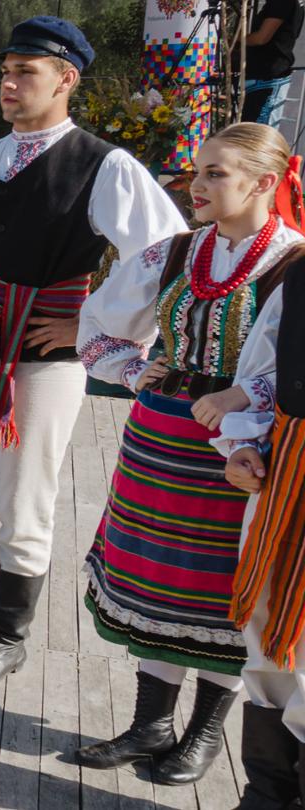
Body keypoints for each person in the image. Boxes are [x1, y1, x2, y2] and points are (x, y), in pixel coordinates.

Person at [0, 17, 186, 685]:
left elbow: (166, 254)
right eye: (6, 73)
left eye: (26, 73)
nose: (9, 84)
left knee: (26, 500)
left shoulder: (102, 165)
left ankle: (8, 637)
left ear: (67, 79)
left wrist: (91, 326)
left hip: (47, 361)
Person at [68, 123, 303, 785]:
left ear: (264, 183)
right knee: (158, 579)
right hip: (158, 440)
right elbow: (100, 321)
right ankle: (150, 723)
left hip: (243, 456)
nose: (196, 186)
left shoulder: (292, 264)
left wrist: (238, 397)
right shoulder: (173, 254)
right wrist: (128, 367)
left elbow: (289, 366)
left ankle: (203, 734)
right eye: (197, 172)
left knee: (218, 593)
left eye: (215, 174)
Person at [216, 211, 305, 808]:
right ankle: (267, 796)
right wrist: (245, 442)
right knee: (270, 633)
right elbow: (266, 371)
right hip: (291, 471)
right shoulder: (300, 277)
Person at [244, 0, 301, 126]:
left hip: (268, 78)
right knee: (250, 132)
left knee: (256, 135)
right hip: (262, 77)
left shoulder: (283, 3)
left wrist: (236, 40)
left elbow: (261, 38)